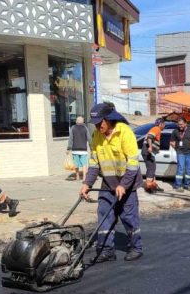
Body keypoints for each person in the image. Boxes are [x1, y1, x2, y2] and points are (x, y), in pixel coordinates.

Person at [79, 103, 143, 263]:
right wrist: (87, 183)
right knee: (103, 215)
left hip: (127, 184)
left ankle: (136, 247)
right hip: (108, 183)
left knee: (128, 217)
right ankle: (106, 251)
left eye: (100, 122)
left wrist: (124, 185)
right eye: (95, 123)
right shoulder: (96, 136)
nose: (97, 125)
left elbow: (133, 163)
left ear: (109, 119)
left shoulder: (124, 132)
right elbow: (94, 164)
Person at [170, 117, 190, 191]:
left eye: (181, 124)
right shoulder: (175, 131)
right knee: (181, 169)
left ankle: (187, 185)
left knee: (189, 170)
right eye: (179, 124)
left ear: (185, 123)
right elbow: (171, 142)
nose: (180, 126)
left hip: (189, 153)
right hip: (181, 153)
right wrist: (177, 149)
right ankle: (178, 185)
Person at [143, 118, 165, 193]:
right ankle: (149, 187)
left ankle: (154, 185)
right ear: (160, 124)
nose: (164, 126)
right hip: (147, 151)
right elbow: (150, 137)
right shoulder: (156, 128)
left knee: (153, 167)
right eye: (164, 124)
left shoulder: (155, 129)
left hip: (148, 151)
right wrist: (150, 147)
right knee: (151, 168)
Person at [66, 116, 90, 181]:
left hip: (75, 150)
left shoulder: (73, 128)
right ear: (83, 122)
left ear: (76, 121)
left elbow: (70, 139)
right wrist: (92, 147)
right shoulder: (85, 128)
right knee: (84, 164)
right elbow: (89, 138)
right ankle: (84, 177)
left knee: (76, 164)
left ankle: (77, 176)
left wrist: (68, 148)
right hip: (83, 150)